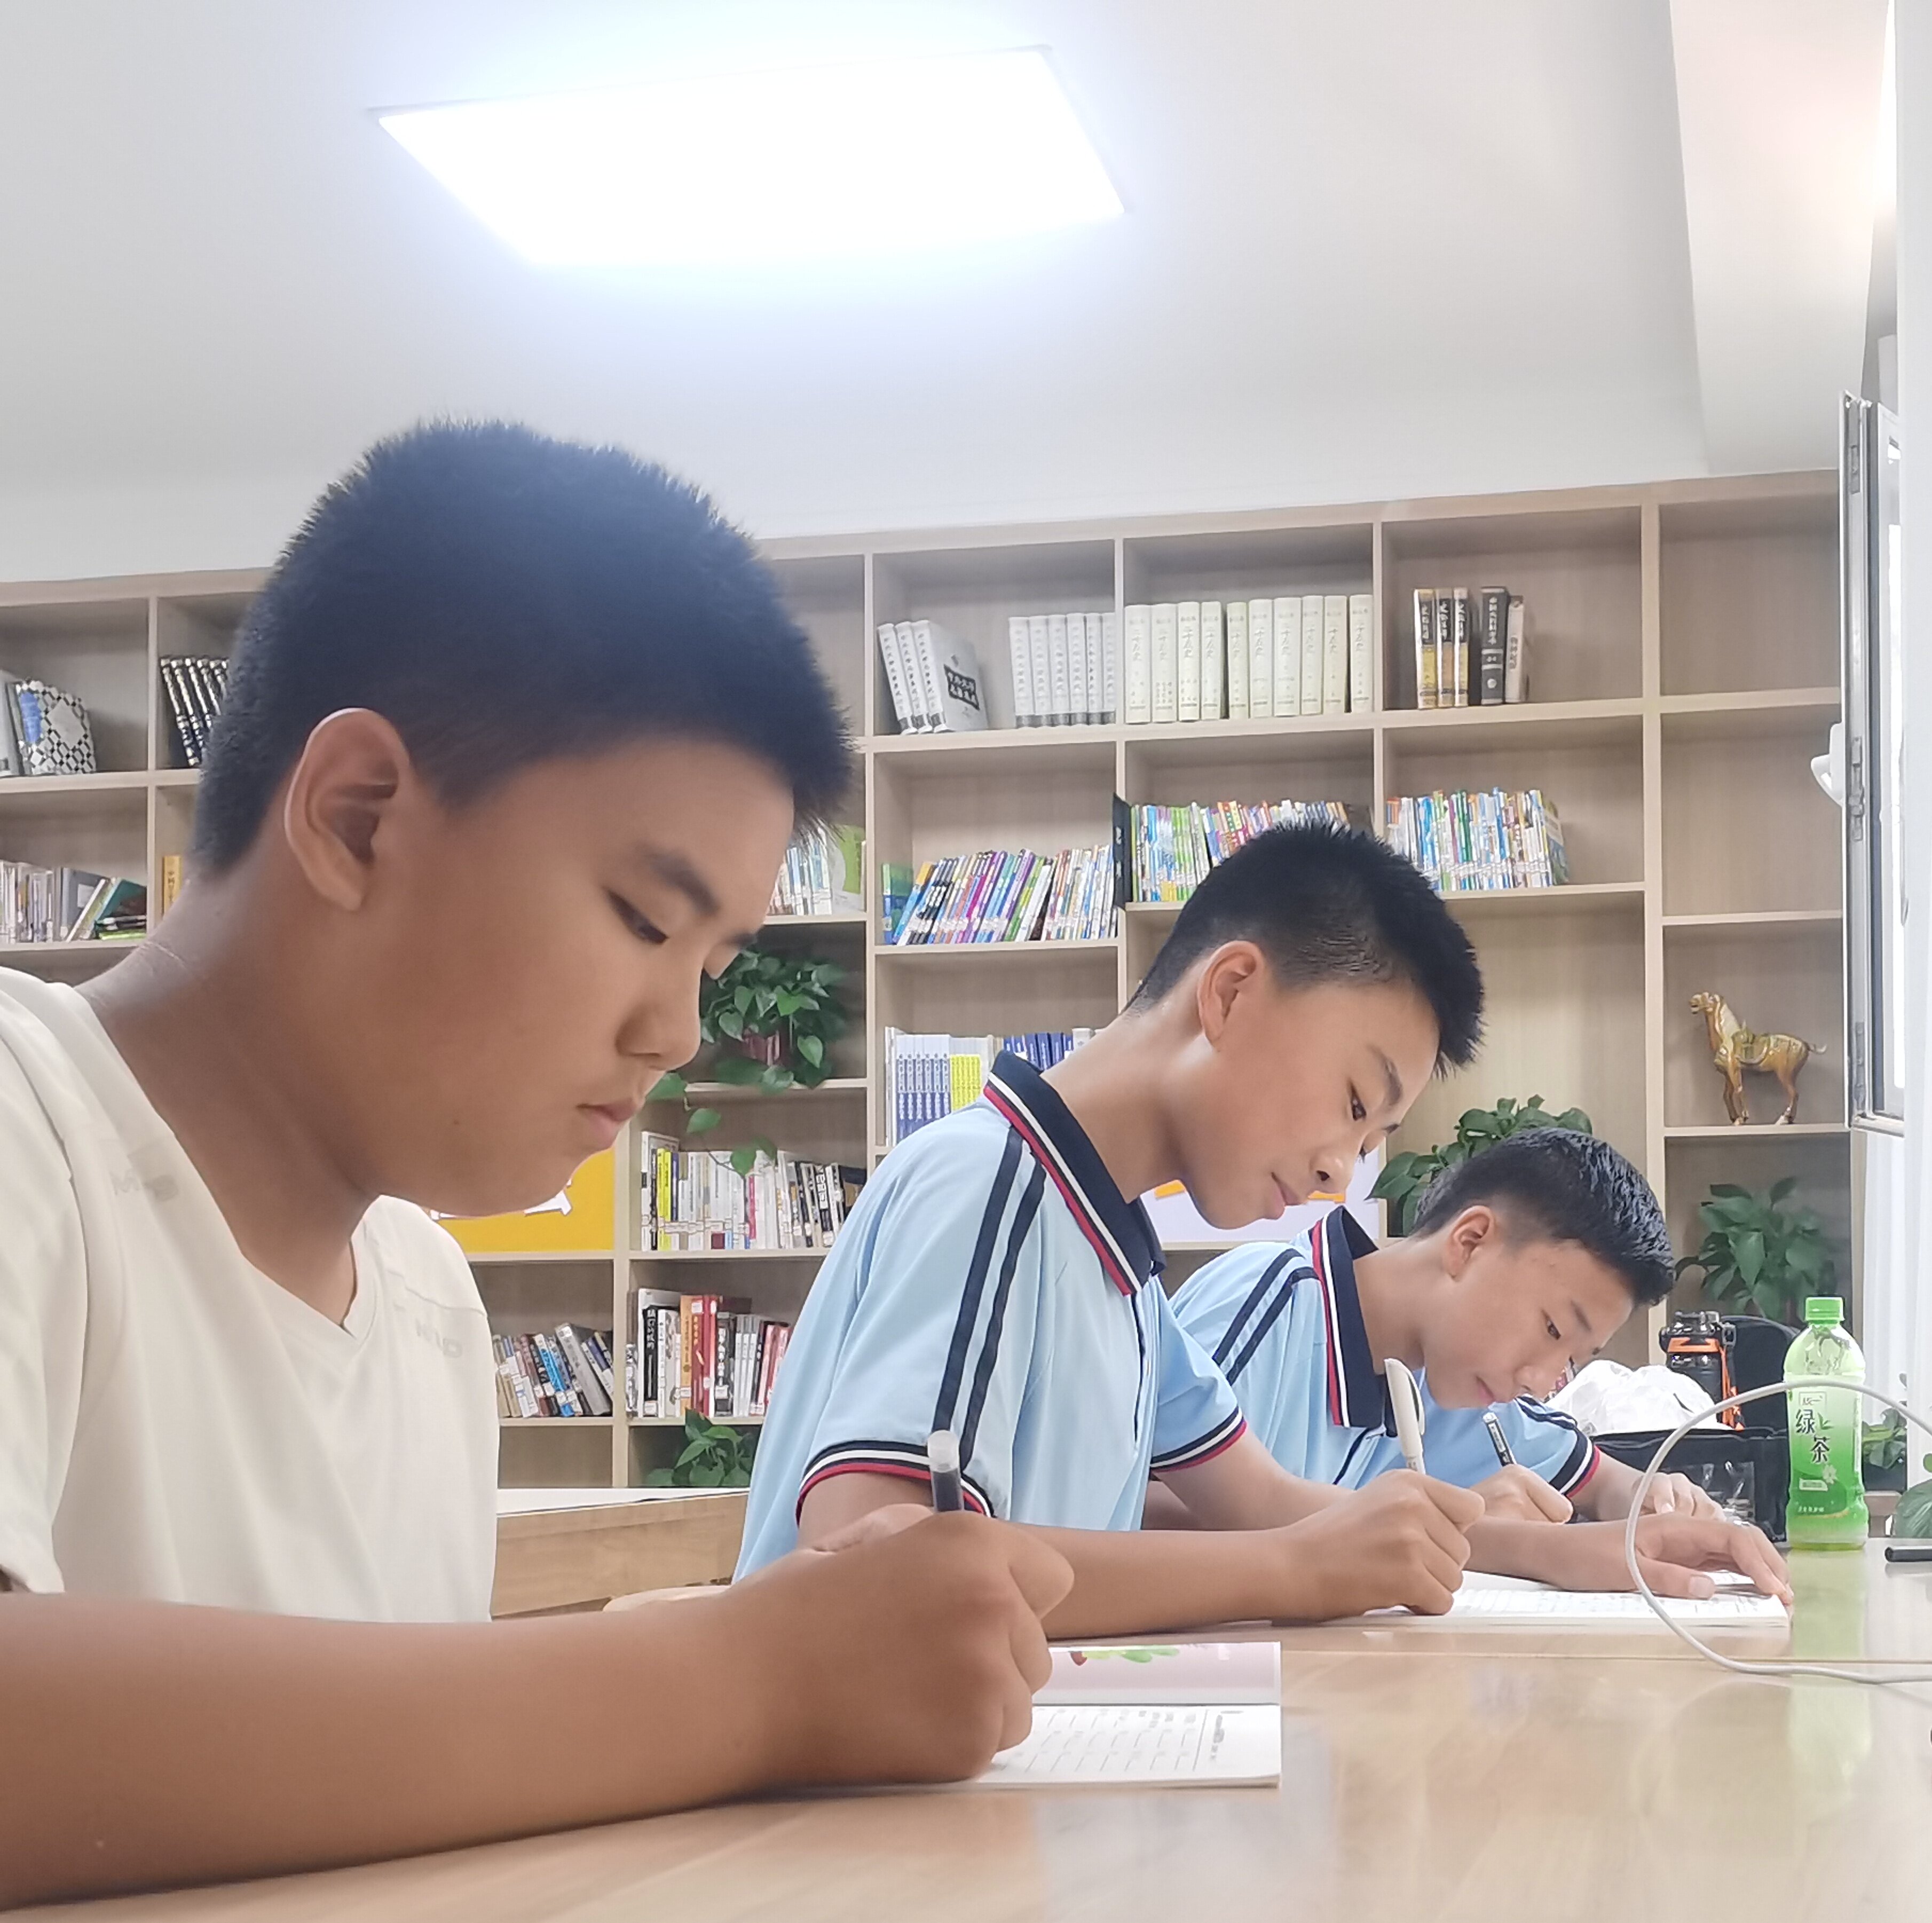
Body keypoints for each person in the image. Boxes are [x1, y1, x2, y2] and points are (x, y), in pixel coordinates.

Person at [0, 423, 1071, 1909]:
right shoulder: (32, 1126)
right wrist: (748, 1677)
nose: (676, 1032)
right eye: (645, 920)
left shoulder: (428, 1300)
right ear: (356, 815)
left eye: (714, 966)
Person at [736, 823, 1792, 1632]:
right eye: (1352, 1101)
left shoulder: (1125, 1279)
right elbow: (879, 1567)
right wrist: (1288, 1573)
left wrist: (1563, 1550)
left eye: (1372, 1138)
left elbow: (1272, 1502)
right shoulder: (993, 1184)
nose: (1340, 1170)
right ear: (1232, 991)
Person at [1166, 1130, 1785, 1598]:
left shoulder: (1458, 1385)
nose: (1540, 1378)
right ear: (1469, 1242)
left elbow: (1600, 1481)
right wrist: (1504, 1538)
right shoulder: (1269, 1300)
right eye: (1551, 1328)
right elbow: (1140, 1508)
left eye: (1571, 1358)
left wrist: (1649, 1498)